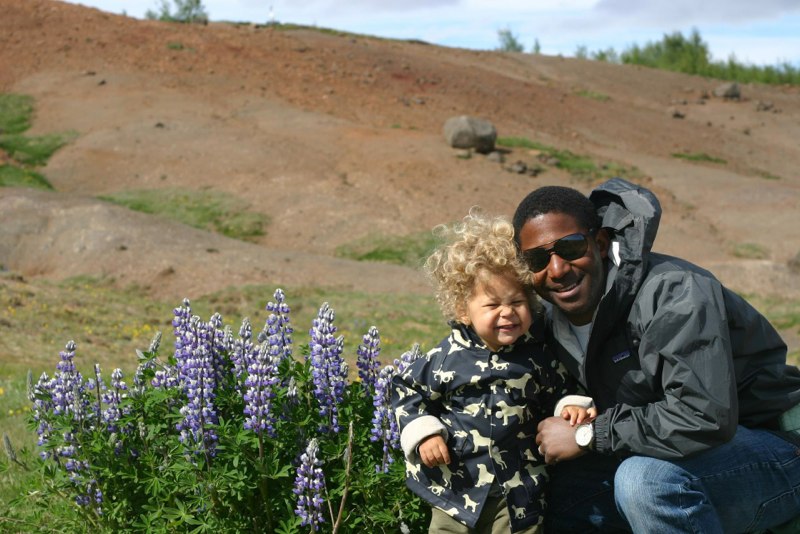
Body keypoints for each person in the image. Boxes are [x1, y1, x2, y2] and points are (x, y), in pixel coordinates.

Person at [512, 177, 800, 533]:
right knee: (558, 491)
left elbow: (704, 414)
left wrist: (590, 434)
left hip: (779, 443)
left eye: (570, 247)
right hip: (686, 452)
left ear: (599, 243)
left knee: (644, 482)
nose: (557, 270)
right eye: (538, 259)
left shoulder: (675, 293)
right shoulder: (548, 320)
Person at [391, 209, 595, 534]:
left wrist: (570, 407)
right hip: (456, 488)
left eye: (517, 302)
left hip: (519, 490)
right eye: (492, 305)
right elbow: (405, 390)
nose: (507, 313)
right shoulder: (446, 357)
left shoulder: (538, 356)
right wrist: (424, 432)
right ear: (463, 310)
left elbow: (562, 388)